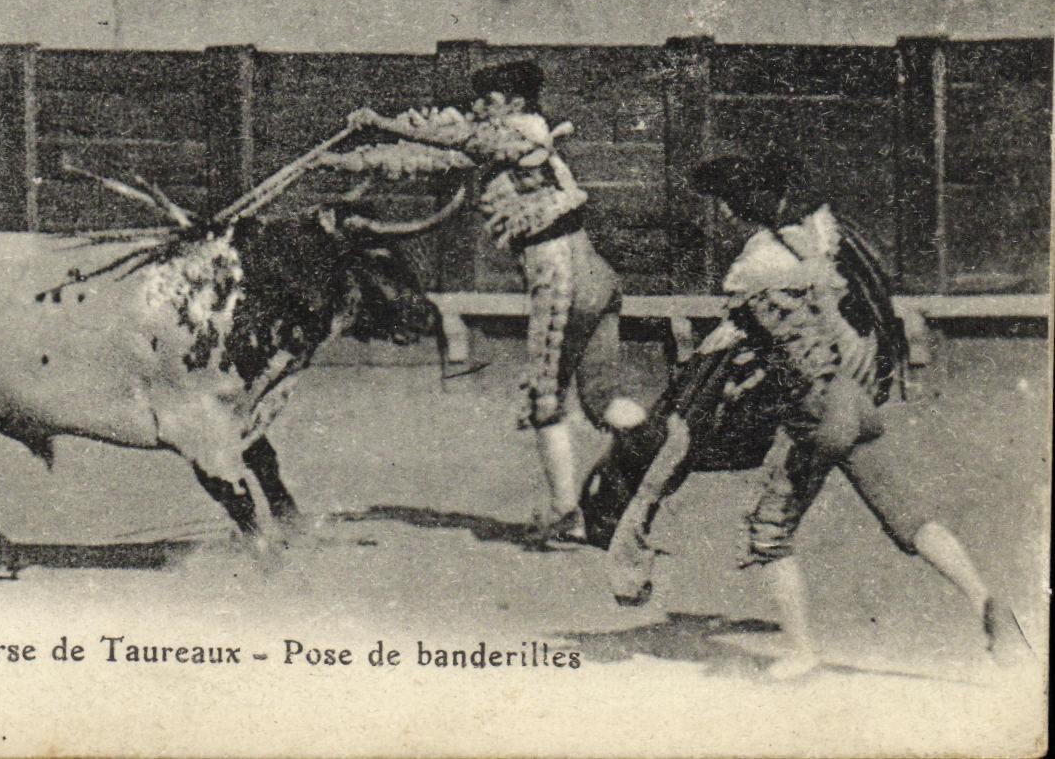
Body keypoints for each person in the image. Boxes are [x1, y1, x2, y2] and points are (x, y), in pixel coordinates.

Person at [598, 153, 1030, 679]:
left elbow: (740, 341)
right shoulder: (823, 237)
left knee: (768, 530)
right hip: (858, 398)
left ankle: (802, 650)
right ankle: (985, 600)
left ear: (752, 202)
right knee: (904, 513)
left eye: (734, 203)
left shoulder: (759, 261)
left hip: (817, 416)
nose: (730, 213)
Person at [346, 60, 646, 543]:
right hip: (594, 271)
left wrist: (381, 121)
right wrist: (352, 158)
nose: (480, 106)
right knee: (602, 396)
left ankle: (567, 509)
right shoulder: (518, 137)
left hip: (560, 274)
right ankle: (643, 480)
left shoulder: (524, 131)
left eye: (492, 99)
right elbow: (435, 158)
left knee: (545, 399)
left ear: (519, 103)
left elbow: (464, 143)